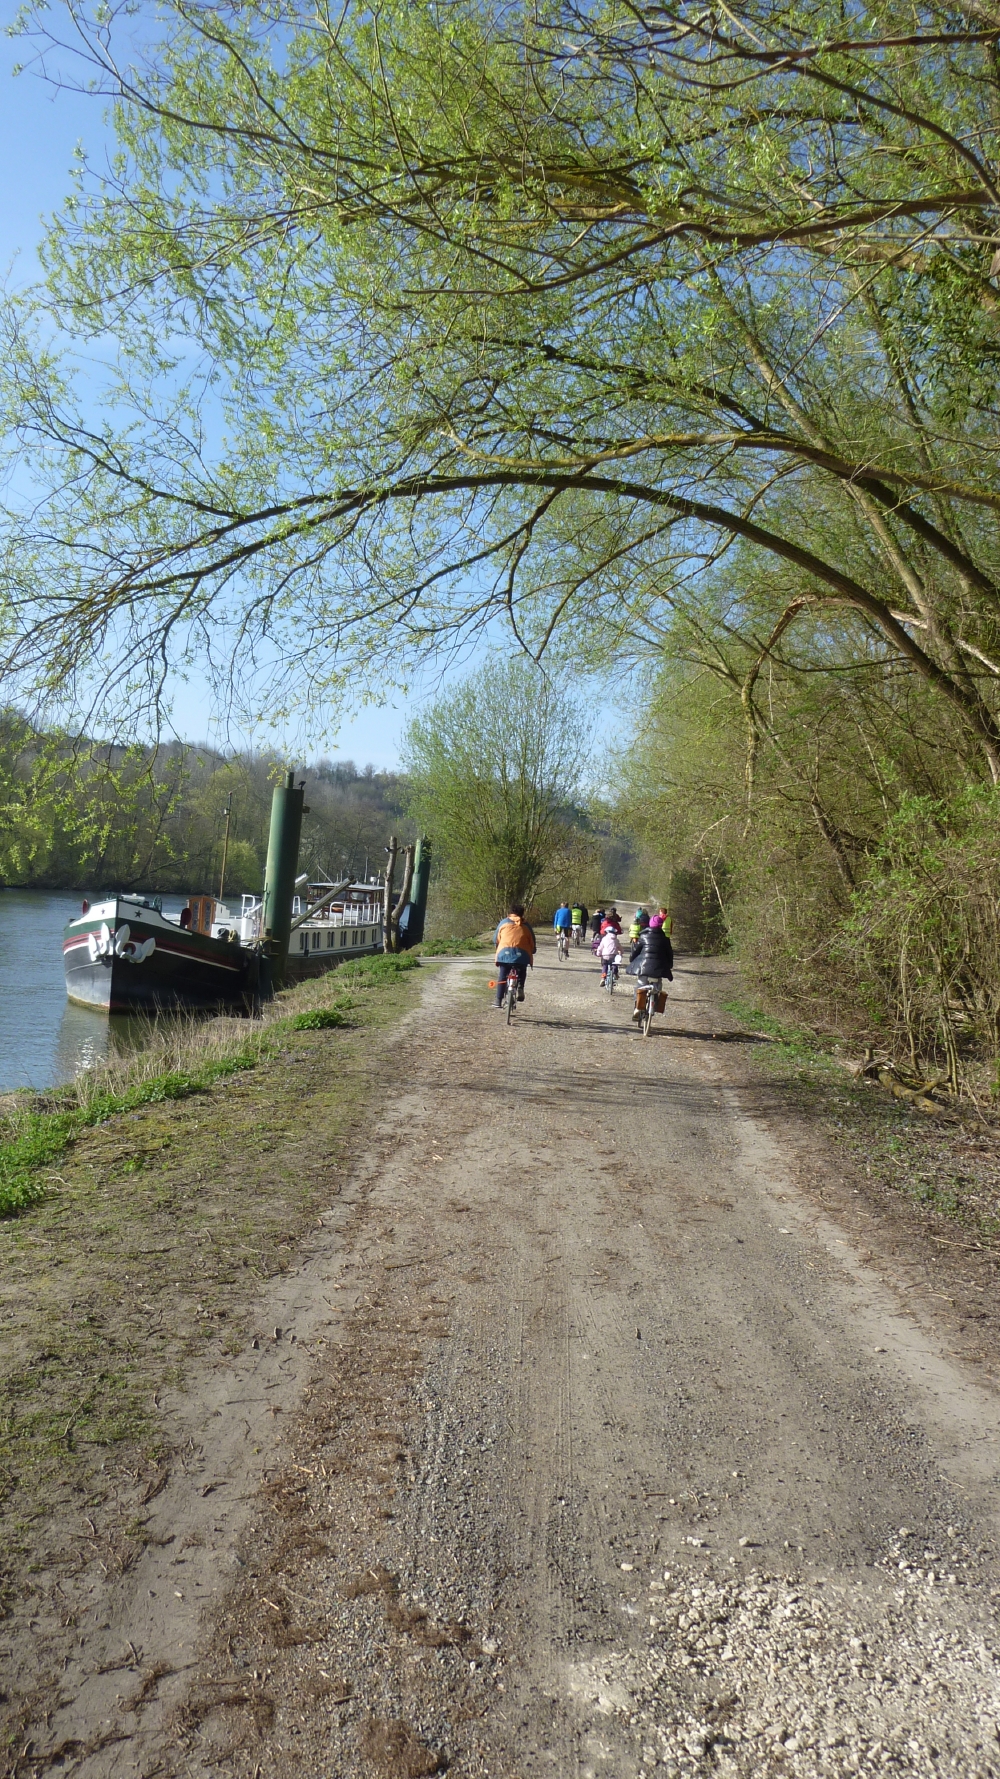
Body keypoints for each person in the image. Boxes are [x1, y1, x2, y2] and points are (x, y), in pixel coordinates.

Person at [627, 916, 674, 1021]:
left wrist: (632, 959)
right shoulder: (665, 940)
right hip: (659, 969)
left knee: (640, 985)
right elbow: (669, 954)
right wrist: (669, 965)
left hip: (644, 968)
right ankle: (655, 1003)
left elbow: (635, 951)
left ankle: (637, 1007)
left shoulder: (643, 936)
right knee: (658, 986)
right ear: (661, 926)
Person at [495, 903, 537, 1007]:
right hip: (521, 955)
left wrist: (498, 948)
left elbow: (495, 939)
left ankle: (498, 1000)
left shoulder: (503, 923)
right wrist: (533, 950)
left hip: (504, 954)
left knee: (502, 976)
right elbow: (532, 941)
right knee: (522, 969)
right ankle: (520, 987)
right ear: (522, 914)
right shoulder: (526, 925)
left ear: (510, 912)